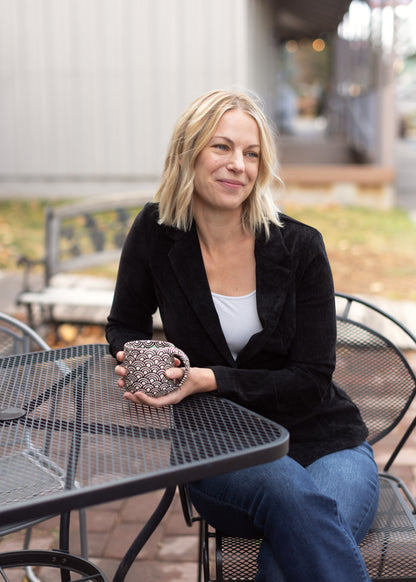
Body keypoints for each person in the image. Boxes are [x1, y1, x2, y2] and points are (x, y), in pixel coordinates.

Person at [106, 89, 379, 582]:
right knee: (297, 504)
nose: (238, 165)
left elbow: (312, 380)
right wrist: (136, 358)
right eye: (222, 147)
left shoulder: (299, 247)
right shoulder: (156, 232)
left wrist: (209, 378)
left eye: (251, 154)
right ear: (188, 153)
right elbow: (124, 322)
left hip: (326, 441)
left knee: (289, 553)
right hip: (221, 446)